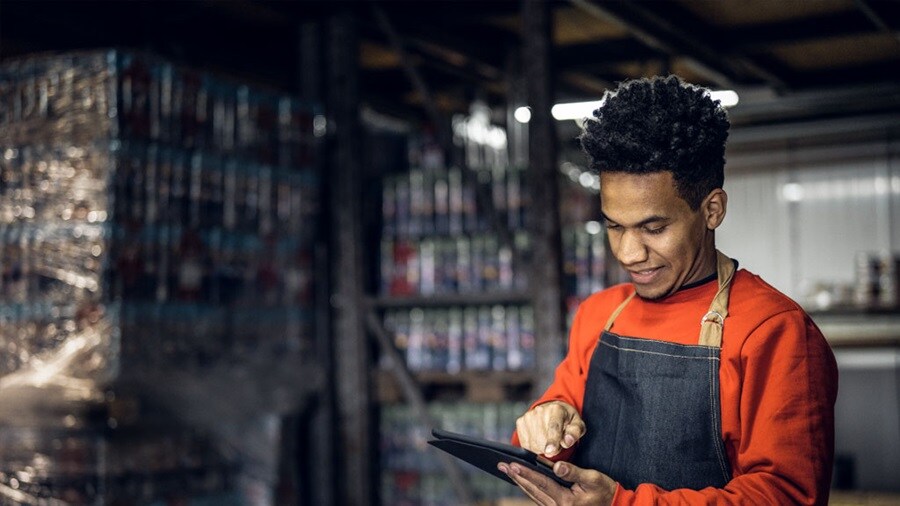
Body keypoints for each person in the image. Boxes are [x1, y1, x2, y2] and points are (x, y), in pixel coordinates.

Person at [497, 75, 838, 505]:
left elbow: (787, 497)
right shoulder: (599, 315)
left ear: (712, 209)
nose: (628, 253)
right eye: (614, 226)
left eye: (653, 228)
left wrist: (622, 503)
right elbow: (542, 438)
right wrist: (547, 429)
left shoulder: (775, 332)